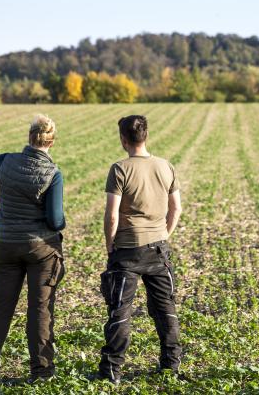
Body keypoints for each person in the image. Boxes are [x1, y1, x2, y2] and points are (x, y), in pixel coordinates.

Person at [0, 114, 66, 390]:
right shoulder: (52, 174)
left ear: (29, 138)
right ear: (51, 142)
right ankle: (41, 371)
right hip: (40, 249)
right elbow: (55, 220)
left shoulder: (7, 161)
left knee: (0, 310)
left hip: (5, 246)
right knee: (39, 310)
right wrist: (62, 222)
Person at [92, 115, 183, 384]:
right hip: (158, 249)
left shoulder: (119, 169)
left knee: (120, 312)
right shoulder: (165, 166)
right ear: (146, 136)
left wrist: (110, 244)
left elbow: (111, 215)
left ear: (123, 139)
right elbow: (176, 207)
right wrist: (164, 233)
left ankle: (112, 371)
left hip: (126, 251)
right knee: (165, 309)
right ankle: (170, 365)